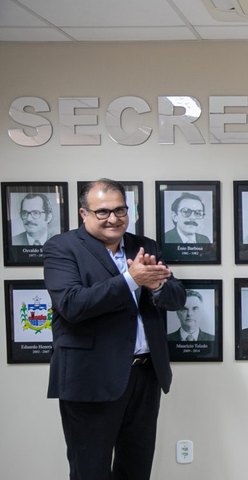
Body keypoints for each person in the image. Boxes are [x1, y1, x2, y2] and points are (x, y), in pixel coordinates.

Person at [43, 178, 185, 480]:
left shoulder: (144, 246)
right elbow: (72, 305)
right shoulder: (62, 247)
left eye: (120, 210)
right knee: (90, 471)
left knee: (136, 468)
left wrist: (158, 284)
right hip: (90, 378)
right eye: (103, 211)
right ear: (84, 214)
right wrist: (131, 280)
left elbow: (176, 298)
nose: (113, 218)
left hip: (145, 374)